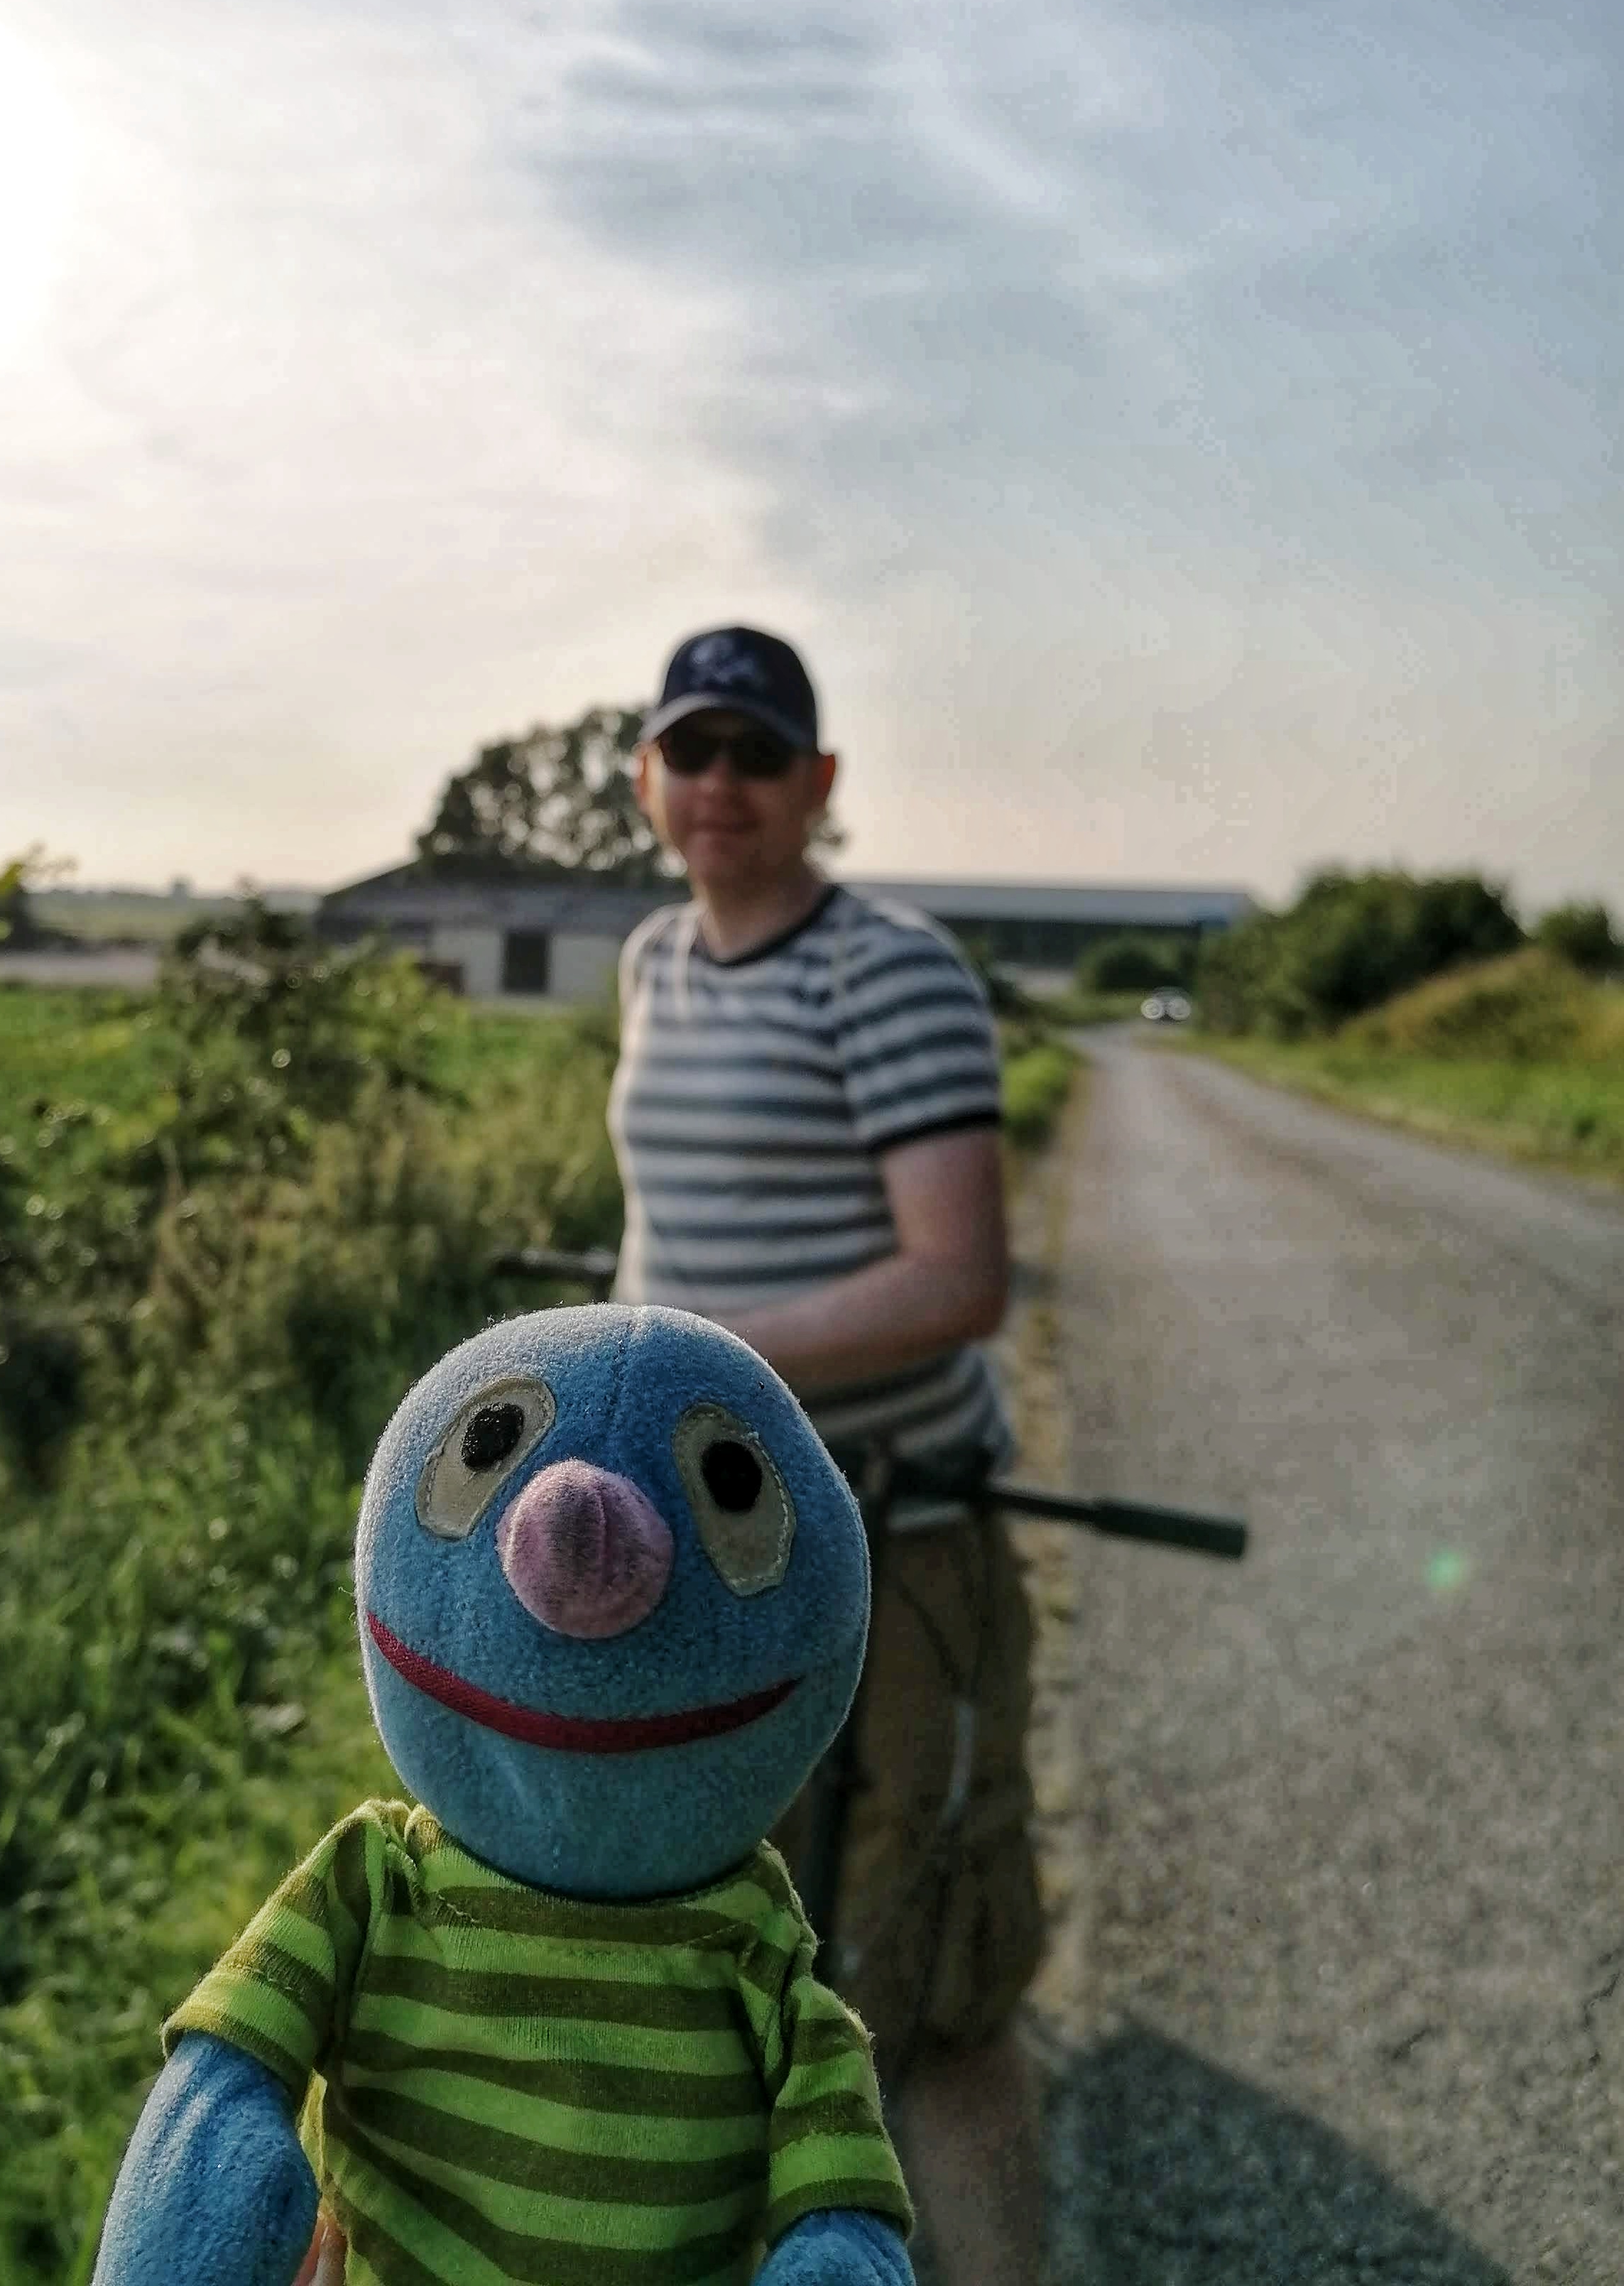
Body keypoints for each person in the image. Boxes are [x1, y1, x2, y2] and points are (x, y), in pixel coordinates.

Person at [609, 624, 1045, 2286]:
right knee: (733, 1946)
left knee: (925, 1977)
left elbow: (959, 1278)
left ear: (821, 782)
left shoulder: (891, 971)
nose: (721, 781)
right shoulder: (653, 959)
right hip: (703, 1550)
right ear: (647, 776)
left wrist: (687, 1363)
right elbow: (660, 1234)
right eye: (692, 748)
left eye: (759, 752)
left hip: (891, 1538)